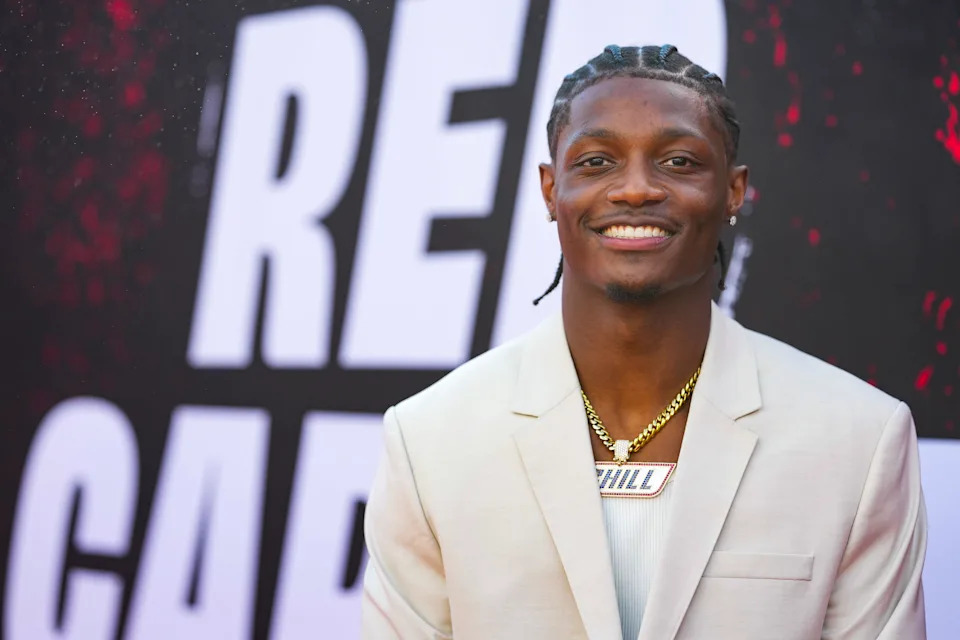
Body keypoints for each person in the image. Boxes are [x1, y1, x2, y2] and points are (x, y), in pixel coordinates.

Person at [361, 44, 926, 640]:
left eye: (679, 161)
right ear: (551, 190)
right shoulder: (429, 440)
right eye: (597, 161)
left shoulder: (859, 440)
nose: (635, 190)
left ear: (733, 192)